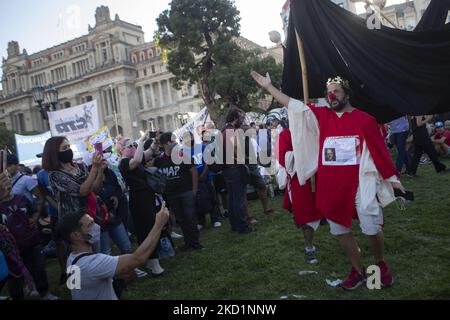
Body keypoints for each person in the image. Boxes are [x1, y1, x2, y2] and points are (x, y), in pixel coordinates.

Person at [252, 71, 405, 290]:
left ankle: (380, 265)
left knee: (371, 227)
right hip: (331, 185)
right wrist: (269, 87)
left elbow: (379, 151)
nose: (332, 95)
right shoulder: (322, 116)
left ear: (347, 95)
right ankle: (358, 270)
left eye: (337, 91)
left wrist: (392, 178)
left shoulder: (365, 119)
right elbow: (294, 105)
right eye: (329, 93)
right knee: (340, 230)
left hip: (360, 183)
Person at [57, 203, 169, 300]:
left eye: (93, 221)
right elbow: (139, 258)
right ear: (76, 235)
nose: (96, 226)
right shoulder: (92, 263)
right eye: (90, 225)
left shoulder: (72, 258)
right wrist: (158, 224)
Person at [43, 136, 105, 284]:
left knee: (95, 250)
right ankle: (76, 287)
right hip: (72, 222)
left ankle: (98, 281)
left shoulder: (79, 167)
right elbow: (81, 191)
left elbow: (94, 189)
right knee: (77, 255)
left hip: (88, 216)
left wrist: (100, 171)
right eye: (64, 148)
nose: (68, 150)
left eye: (69, 146)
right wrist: (94, 168)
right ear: (54, 153)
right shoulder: (55, 175)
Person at [0, 173, 57, 300]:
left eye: (9, 182)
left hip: (30, 242)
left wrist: (35, 218)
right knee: (14, 275)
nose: (7, 186)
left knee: (38, 268)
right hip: (11, 249)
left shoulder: (21, 199)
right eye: (4, 184)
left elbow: (35, 209)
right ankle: (18, 296)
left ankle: (44, 292)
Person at [117, 134, 165, 275]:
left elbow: (150, 152)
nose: (133, 147)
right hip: (138, 199)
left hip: (147, 197)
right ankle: (152, 263)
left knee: (152, 226)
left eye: (133, 145)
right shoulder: (124, 163)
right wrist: (140, 141)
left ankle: (152, 261)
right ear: (121, 150)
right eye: (129, 146)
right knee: (146, 229)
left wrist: (155, 141)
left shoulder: (134, 158)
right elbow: (138, 160)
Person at [278, 126, 324, 264]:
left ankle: (349, 243)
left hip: (320, 176)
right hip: (301, 180)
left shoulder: (314, 130)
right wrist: (302, 152)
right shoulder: (286, 135)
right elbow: (283, 157)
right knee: (306, 215)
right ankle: (309, 248)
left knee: (335, 209)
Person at [154, 132, 202, 250]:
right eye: (172, 141)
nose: (175, 142)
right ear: (166, 144)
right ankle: (188, 243)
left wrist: (194, 190)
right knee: (181, 219)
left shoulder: (182, 155)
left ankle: (195, 243)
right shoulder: (159, 160)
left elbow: (194, 171)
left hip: (186, 192)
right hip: (172, 195)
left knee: (190, 218)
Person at [221, 108, 253, 234]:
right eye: (240, 118)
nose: (242, 120)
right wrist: (242, 161)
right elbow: (234, 148)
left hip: (227, 169)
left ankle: (234, 224)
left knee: (233, 199)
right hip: (234, 168)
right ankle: (242, 226)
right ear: (234, 118)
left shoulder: (223, 130)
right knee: (239, 199)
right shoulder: (230, 131)